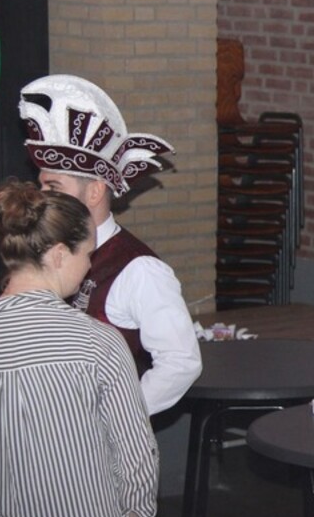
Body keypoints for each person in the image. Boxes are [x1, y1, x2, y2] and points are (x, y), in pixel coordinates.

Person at [18, 74, 202, 415]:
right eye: (41, 186)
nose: (42, 198)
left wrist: (113, 416)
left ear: (95, 192)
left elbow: (181, 362)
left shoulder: (139, 269)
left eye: (54, 187)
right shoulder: (41, 249)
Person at [0, 179, 159, 517]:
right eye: (88, 255)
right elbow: (135, 456)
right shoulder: (99, 343)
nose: (88, 267)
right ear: (59, 255)